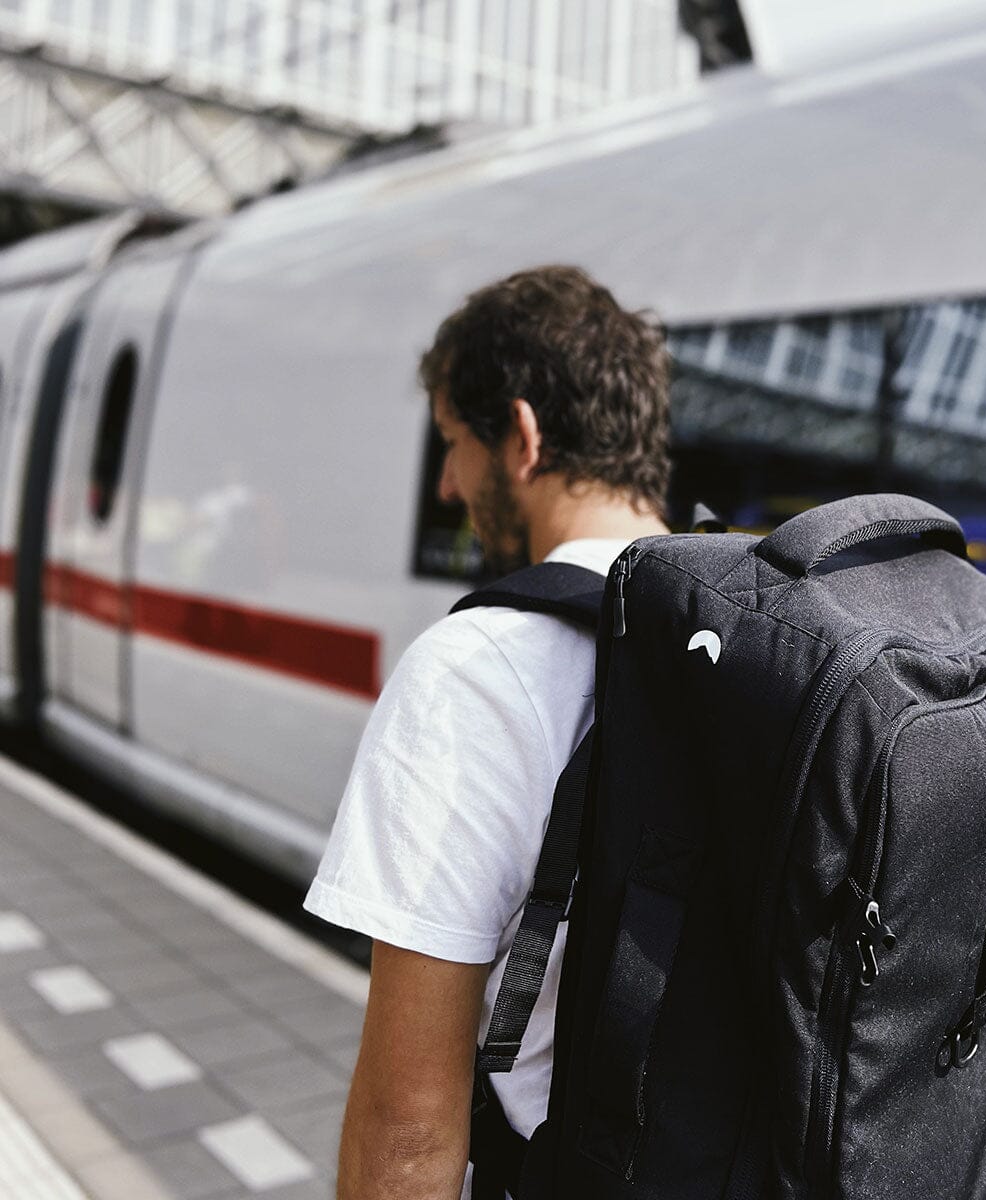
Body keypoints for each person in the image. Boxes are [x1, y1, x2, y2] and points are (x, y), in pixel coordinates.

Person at [303, 265, 674, 1200]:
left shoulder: (479, 666)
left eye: (454, 443)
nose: (446, 481)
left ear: (522, 434)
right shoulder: (767, 635)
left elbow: (408, 1131)